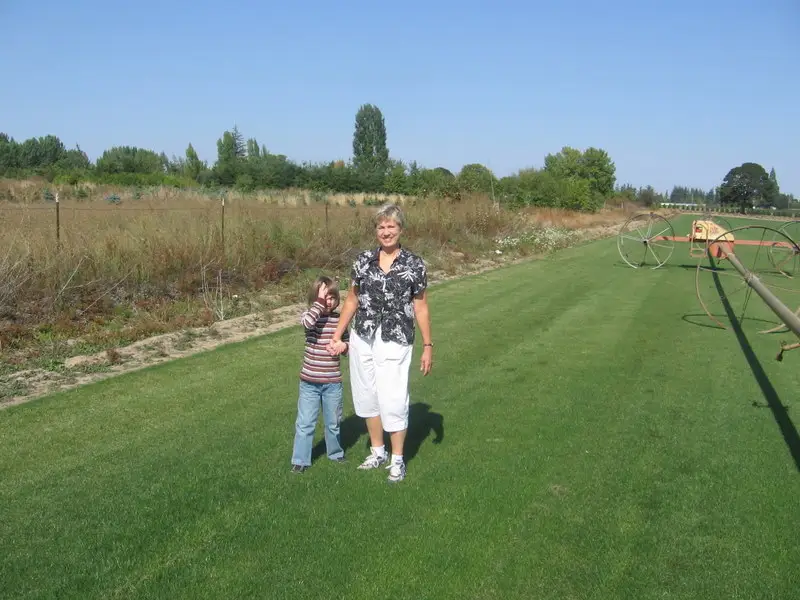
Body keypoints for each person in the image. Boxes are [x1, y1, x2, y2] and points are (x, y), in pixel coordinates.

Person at [328, 203, 433, 483]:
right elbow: (352, 299)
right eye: (381, 227)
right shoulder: (363, 261)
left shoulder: (414, 265)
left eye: (391, 226)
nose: (386, 232)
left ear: (401, 229)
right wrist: (338, 333)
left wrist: (427, 346)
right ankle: (377, 452)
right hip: (364, 336)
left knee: (394, 398)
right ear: (376, 230)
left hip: (396, 339)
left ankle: (397, 460)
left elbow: (420, 307)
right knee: (367, 396)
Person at [290, 275, 349, 473]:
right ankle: (300, 460)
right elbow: (307, 324)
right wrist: (319, 304)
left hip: (332, 382)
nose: (328, 301)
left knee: (333, 423)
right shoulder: (310, 316)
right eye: (324, 296)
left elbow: (349, 346)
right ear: (315, 298)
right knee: (305, 423)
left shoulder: (340, 320)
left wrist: (344, 346)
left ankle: (336, 453)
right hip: (309, 383)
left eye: (331, 297)